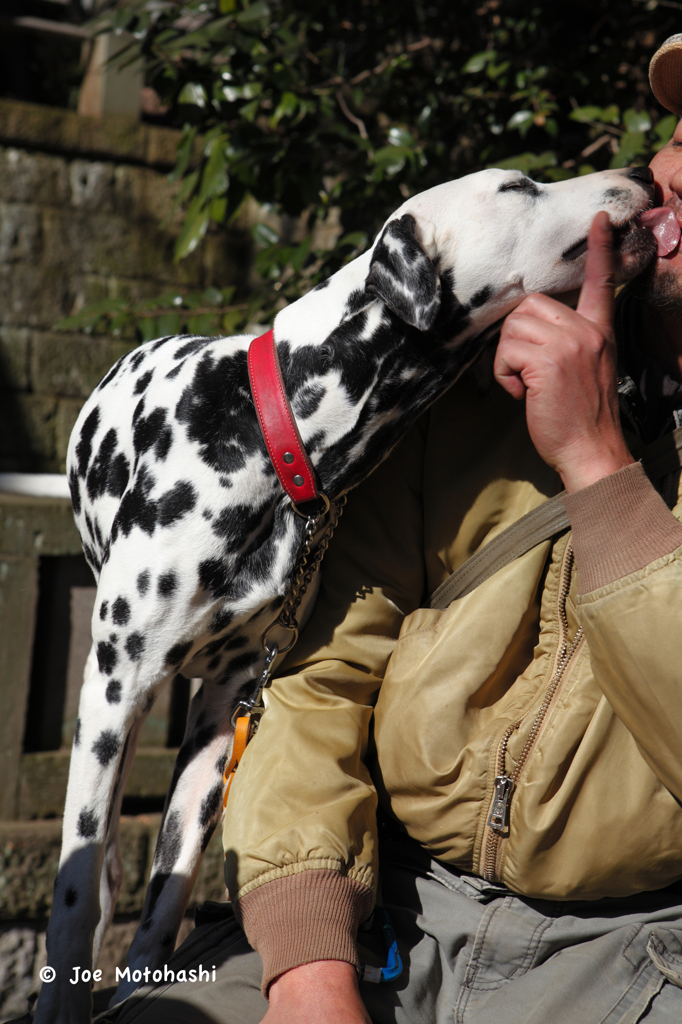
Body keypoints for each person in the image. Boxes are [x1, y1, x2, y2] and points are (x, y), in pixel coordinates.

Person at [99, 35, 682, 1024]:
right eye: (679, 135)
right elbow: (316, 676)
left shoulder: (560, 403)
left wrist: (595, 463)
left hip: (630, 962)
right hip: (374, 907)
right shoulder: (473, 369)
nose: (671, 171)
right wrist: (307, 961)